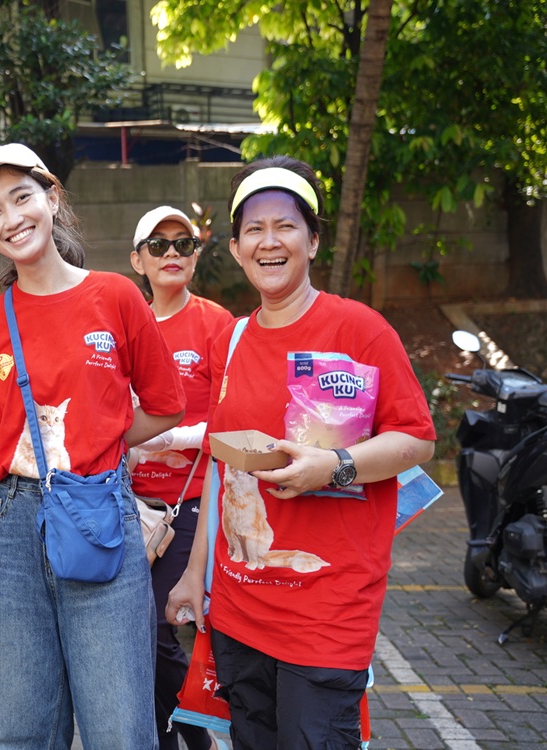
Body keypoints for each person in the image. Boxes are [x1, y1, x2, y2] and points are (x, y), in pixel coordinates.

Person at [0, 143, 185, 749]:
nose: (12, 218)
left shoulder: (116, 296)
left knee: (119, 725)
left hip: (99, 514)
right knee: (25, 726)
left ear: (52, 199)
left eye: (22, 198)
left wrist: (95, 440)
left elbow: (167, 405)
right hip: (12, 529)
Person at [165, 156, 436, 749]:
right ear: (235, 249)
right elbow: (220, 467)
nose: (269, 241)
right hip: (239, 608)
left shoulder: (359, 331)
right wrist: (194, 575)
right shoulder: (230, 340)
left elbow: (417, 438)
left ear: (312, 241)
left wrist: (335, 466)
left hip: (326, 614)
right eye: (252, 229)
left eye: (285, 225)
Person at [128, 206, 233, 750]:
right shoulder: (123, 320)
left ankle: (195, 738)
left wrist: (172, 439)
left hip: (188, 507)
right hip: (125, 508)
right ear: (137, 258)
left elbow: (237, 419)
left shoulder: (217, 323)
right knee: (137, 642)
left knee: (167, 635)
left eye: (183, 245)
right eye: (159, 244)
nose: (172, 254)